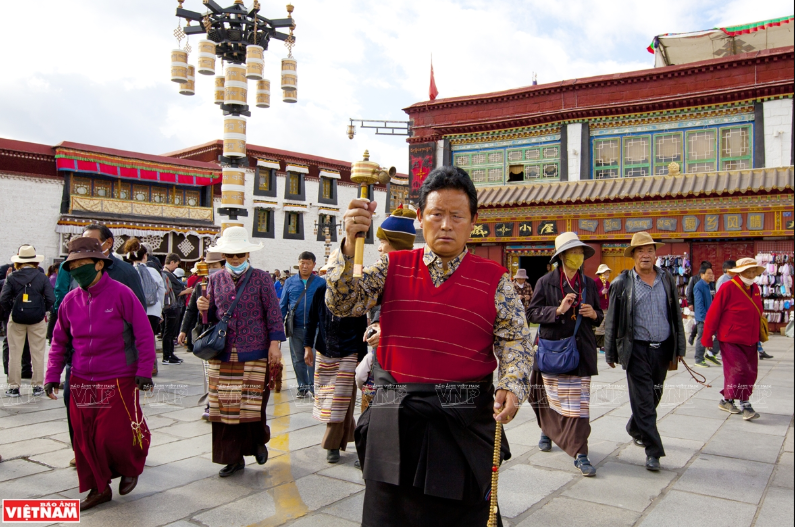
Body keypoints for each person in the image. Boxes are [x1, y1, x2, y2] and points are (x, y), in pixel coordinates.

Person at [325, 166, 533, 526]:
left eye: (457, 216)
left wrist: (512, 383)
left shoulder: (495, 280)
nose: (446, 225)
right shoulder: (392, 266)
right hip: (394, 412)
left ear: (473, 222)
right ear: (420, 218)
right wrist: (348, 243)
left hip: (461, 415)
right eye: (437, 214)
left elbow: (515, 337)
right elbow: (344, 303)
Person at [44, 237, 155, 511]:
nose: (78, 269)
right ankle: (99, 488)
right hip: (81, 376)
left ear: (99, 264)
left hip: (118, 376)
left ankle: (131, 466)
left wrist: (144, 370)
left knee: (112, 435)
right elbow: (59, 342)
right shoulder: (70, 301)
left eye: (83, 264)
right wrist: (51, 375)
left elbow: (143, 333)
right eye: (73, 265)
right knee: (85, 438)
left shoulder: (121, 294)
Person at [196, 227, 284, 478]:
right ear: (223, 254)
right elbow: (211, 318)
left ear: (248, 253)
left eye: (240, 254)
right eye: (230, 255)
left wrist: (274, 344)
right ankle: (231, 457)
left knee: (253, 403)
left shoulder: (262, 278)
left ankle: (256, 442)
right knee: (224, 406)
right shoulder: (214, 279)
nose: (235, 259)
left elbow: (274, 314)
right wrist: (204, 307)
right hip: (223, 352)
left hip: (254, 350)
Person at [604, 232, 686, 472]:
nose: (645, 255)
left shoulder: (667, 279)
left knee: (654, 395)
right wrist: (610, 352)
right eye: (640, 251)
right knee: (644, 401)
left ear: (655, 254)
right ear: (634, 256)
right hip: (636, 349)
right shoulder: (622, 283)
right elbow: (612, 320)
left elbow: (676, 316)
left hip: (662, 349)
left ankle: (635, 427)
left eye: (649, 250)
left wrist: (680, 347)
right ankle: (653, 451)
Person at [527, 232, 603, 477]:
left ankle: (581, 453)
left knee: (579, 404)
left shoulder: (589, 284)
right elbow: (531, 314)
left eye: (580, 252)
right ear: (561, 257)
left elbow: (600, 314)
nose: (577, 256)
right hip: (553, 349)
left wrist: (594, 314)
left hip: (581, 350)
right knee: (549, 397)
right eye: (572, 252)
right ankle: (547, 431)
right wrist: (558, 310)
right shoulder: (545, 282)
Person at [304, 276, 367, 463]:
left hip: (349, 352)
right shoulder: (321, 289)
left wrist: (361, 358)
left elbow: (361, 324)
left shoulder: (356, 291)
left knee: (339, 398)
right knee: (332, 398)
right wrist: (307, 346)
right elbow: (312, 318)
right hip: (324, 351)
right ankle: (349, 433)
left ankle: (331, 445)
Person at [701, 258, 766, 420]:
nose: (751, 275)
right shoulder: (727, 287)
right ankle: (745, 404)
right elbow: (713, 314)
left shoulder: (755, 288)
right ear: (739, 272)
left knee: (750, 371)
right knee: (738, 370)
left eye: (753, 271)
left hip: (751, 339)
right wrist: (707, 338)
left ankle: (726, 400)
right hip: (730, 338)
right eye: (748, 271)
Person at [0, 245, 55, 397]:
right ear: (35, 261)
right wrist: (40, 309)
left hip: (17, 318)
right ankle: (37, 386)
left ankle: (13, 387)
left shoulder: (12, 277)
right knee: (37, 352)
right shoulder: (42, 277)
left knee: (15, 352)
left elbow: (3, 299)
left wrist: (13, 309)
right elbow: (51, 299)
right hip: (37, 319)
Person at [179, 252, 225, 420]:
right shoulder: (201, 286)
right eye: (210, 266)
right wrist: (183, 330)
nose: (213, 269)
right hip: (206, 334)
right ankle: (210, 403)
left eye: (216, 266)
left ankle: (222, 402)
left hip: (224, 334)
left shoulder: (228, 285)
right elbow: (190, 310)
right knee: (208, 372)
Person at [279, 251, 325, 397]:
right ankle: (302, 386)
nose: (304, 266)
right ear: (298, 263)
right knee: (298, 358)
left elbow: (325, 306)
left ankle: (313, 386)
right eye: (302, 263)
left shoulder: (321, 283)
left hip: (315, 328)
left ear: (314, 265)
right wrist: (277, 326)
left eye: (308, 263)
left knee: (313, 358)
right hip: (296, 327)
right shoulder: (289, 282)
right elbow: (283, 305)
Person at [121, 238, 167, 344]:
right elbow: (161, 290)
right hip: (153, 311)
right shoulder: (153, 271)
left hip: (134, 311)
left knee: (134, 342)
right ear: (145, 256)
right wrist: (160, 310)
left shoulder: (128, 272)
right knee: (149, 341)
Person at [161, 253, 192, 365]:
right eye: (176, 265)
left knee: (171, 332)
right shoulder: (166, 274)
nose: (176, 267)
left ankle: (170, 354)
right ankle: (167, 356)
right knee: (168, 332)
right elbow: (173, 292)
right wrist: (186, 291)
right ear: (172, 262)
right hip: (171, 306)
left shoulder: (169, 274)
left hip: (174, 306)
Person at [693, 264, 719, 367]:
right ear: (702, 274)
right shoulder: (699, 286)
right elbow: (699, 303)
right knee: (702, 337)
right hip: (703, 318)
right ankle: (699, 359)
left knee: (719, 333)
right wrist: (704, 317)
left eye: (712, 273)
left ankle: (711, 353)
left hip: (711, 316)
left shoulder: (709, 285)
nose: (711, 275)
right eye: (708, 273)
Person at [594, 264, 611, 352]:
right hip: (599, 307)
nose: (606, 275)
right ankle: (598, 344)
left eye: (608, 273)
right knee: (599, 326)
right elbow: (594, 295)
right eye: (605, 273)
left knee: (606, 326)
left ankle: (604, 345)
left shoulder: (608, 283)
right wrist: (601, 293)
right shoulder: (596, 282)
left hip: (606, 307)